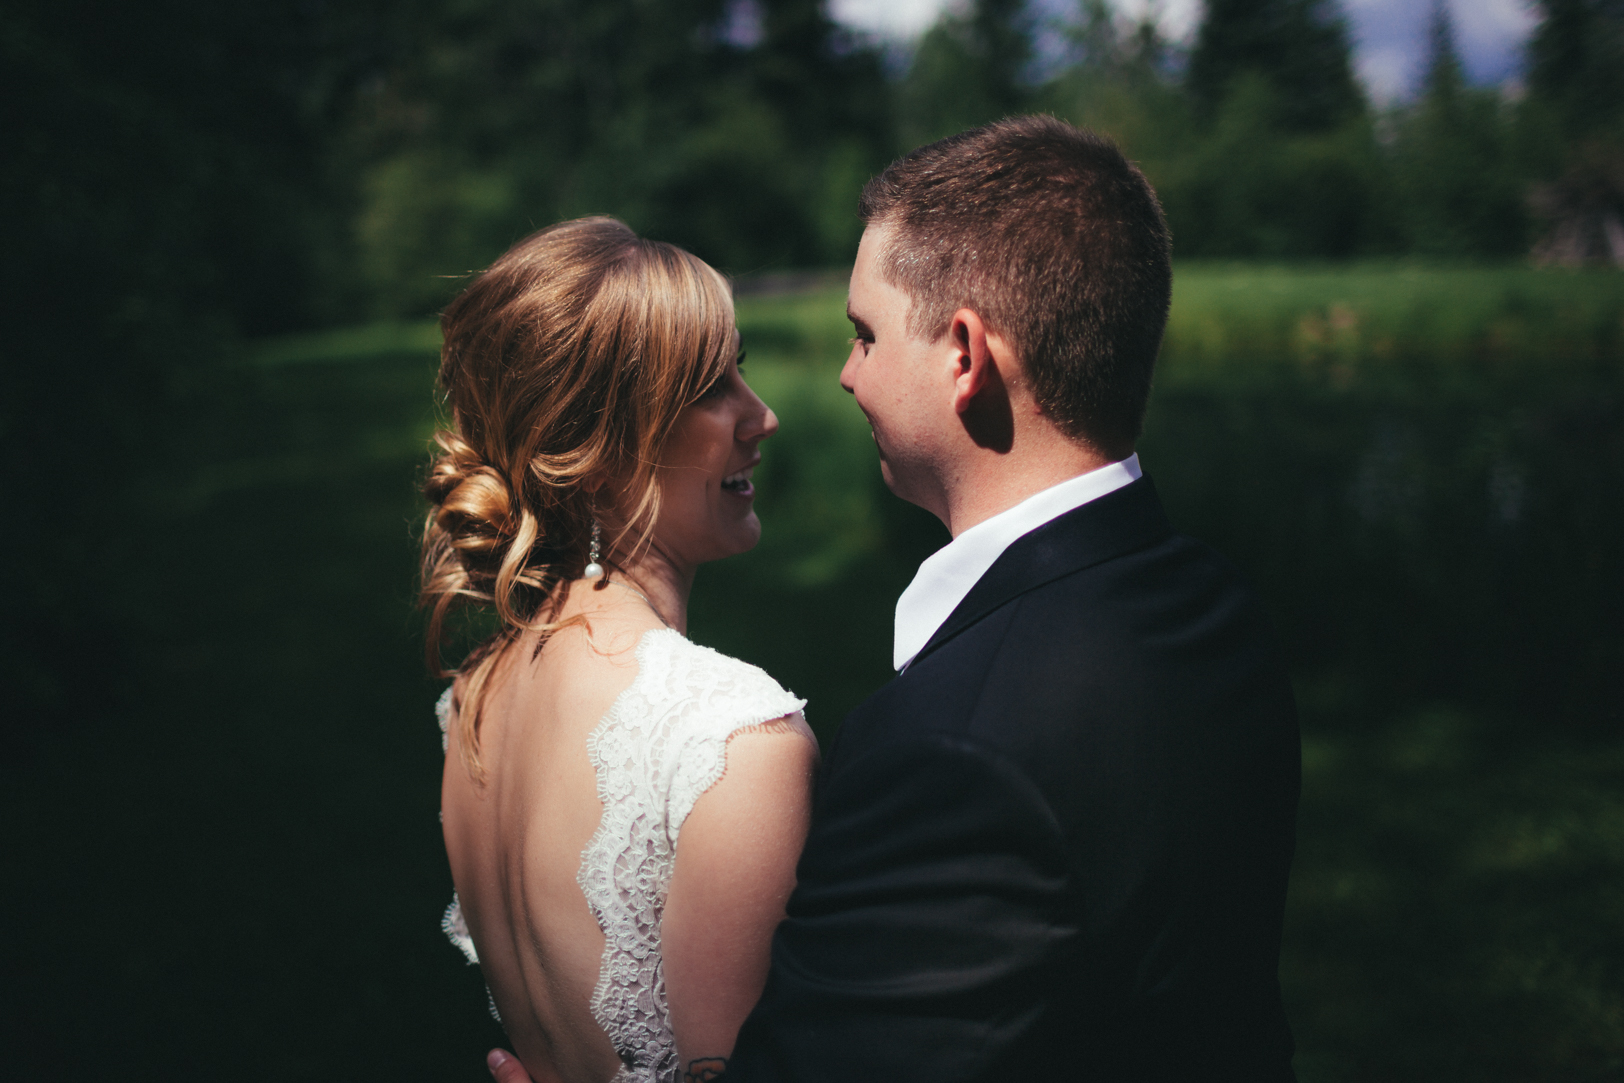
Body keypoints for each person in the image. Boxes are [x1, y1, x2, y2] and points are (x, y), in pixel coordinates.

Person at [492, 115, 1300, 1083]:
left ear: (963, 356)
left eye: (864, 335)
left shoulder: (950, 750)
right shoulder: (1216, 609)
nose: (842, 374)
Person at [423, 216, 819, 1083]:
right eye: (713, 386)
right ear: (595, 455)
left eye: (741, 370)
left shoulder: (473, 706)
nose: (762, 415)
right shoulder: (731, 741)